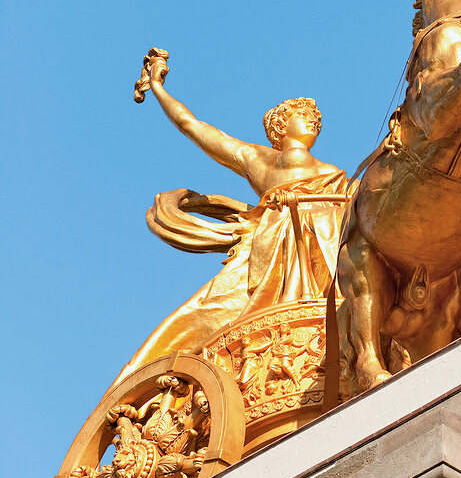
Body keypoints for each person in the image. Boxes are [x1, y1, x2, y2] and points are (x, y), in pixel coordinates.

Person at [112, 50, 350, 386]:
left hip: (329, 242)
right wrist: (158, 88)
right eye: (303, 113)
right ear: (280, 126)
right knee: (206, 310)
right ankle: (144, 376)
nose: (314, 118)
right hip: (274, 244)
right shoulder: (257, 158)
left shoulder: (334, 175)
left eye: (316, 115)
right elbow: (192, 125)